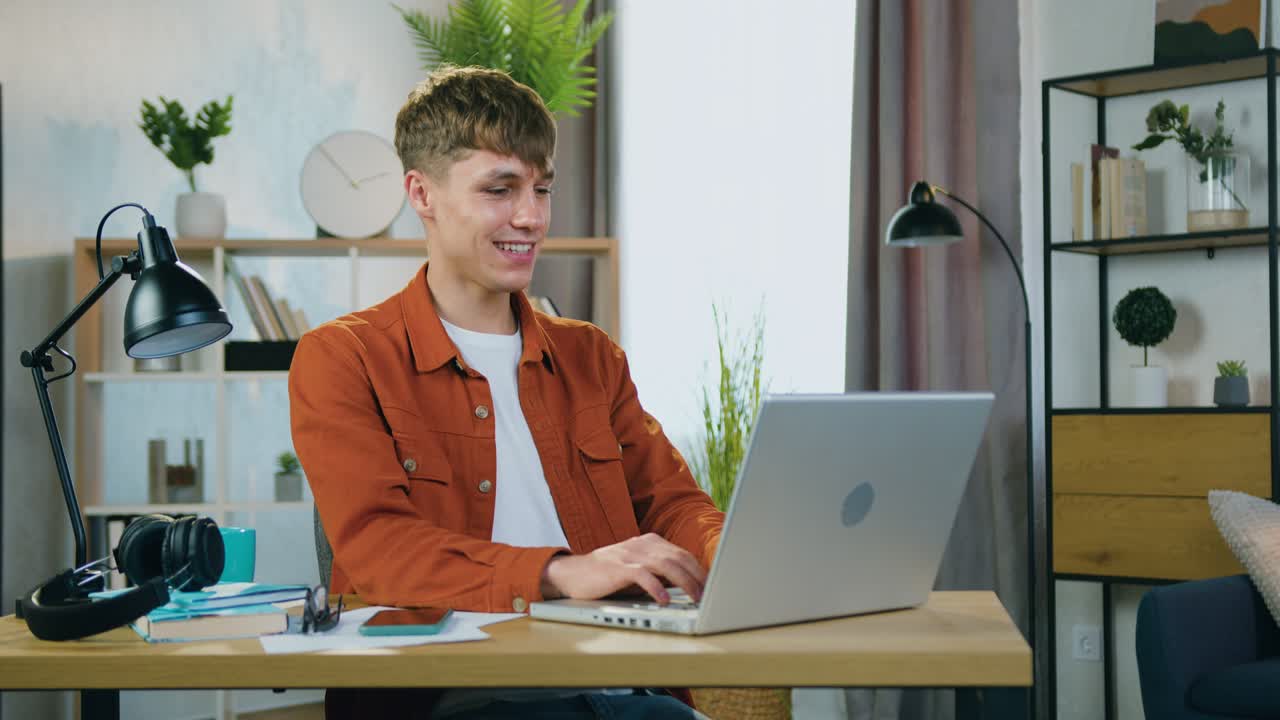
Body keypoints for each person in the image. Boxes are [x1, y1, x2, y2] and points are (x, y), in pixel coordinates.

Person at [288, 65, 724, 719]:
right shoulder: (344, 357)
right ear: (422, 193)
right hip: (457, 699)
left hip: (623, 689)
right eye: (500, 189)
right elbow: (378, 548)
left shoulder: (590, 356)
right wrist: (557, 572)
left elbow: (672, 504)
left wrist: (736, 559)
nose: (531, 216)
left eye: (541, 189)